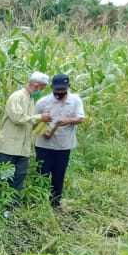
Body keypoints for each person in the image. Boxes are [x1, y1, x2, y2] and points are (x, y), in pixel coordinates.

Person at [0, 71, 53, 214]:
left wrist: (41, 128)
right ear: (37, 85)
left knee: (18, 178)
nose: (42, 91)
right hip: (8, 148)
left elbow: (28, 121)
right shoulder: (17, 97)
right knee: (3, 179)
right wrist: (39, 117)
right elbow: (18, 118)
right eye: (42, 88)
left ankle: (11, 209)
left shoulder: (31, 100)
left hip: (23, 149)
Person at [35, 73, 85, 208]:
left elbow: (80, 118)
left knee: (59, 174)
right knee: (41, 173)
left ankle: (55, 202)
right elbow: (34, 121)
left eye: (63, 90)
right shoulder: (43, 102)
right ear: (52, 88)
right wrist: (42, 131)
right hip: (43, 145)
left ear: (68, 87)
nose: (60, 93)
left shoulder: (75, 100)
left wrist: (68, 120)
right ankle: (38, 201)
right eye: (57, 90)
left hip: (64, 146)